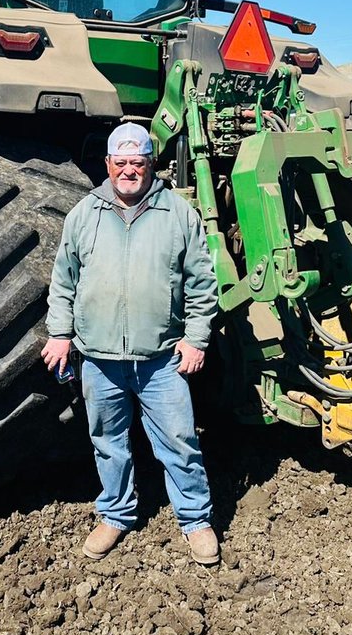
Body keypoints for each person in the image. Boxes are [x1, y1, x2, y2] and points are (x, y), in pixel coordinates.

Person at [41, 122, 220, 565]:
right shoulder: (84, 214)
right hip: (99, 360)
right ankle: (115, 514)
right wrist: (60, 334)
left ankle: (196, 521)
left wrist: (196, 340)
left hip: (161, 360)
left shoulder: (177, 214)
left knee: (179, 442)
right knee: (108, 442)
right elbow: (63, 281)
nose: (128, 171)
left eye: (136, 162)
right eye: (120, 163)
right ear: (107, 165)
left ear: (149, 164)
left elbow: (202, 284)